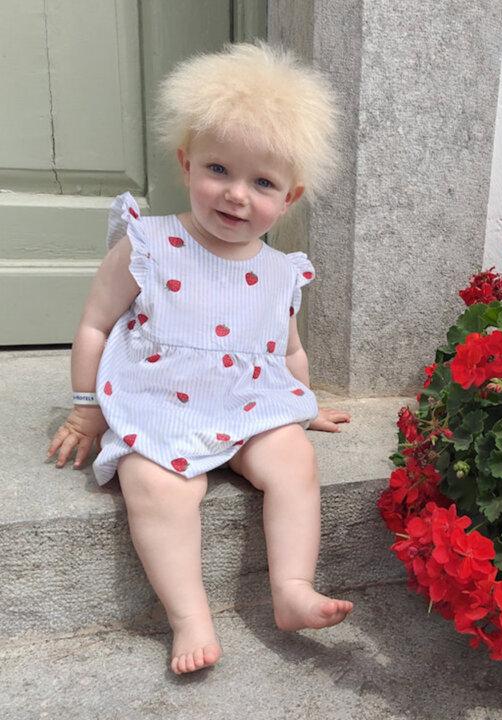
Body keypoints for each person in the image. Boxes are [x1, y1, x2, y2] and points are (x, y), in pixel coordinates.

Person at [46, 43, 355, 675]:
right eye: (219, 169)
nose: (237, 195)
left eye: (262, 182)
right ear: (186, 162)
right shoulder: (149, 244)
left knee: (294, 460)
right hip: (159, 404)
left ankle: (291, 587)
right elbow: (95, 324)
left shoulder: (281, 270)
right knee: (154, 486)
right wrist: (86, 409)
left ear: (290, 198)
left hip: (246, 405)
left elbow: (288, 349)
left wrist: (304, 406)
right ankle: (189, 615)